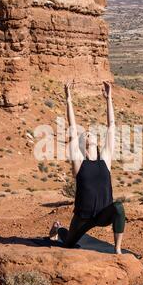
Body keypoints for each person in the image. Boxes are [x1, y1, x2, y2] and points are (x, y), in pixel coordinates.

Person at [49, 81, 126, 254]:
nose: (89, 134)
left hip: (102, 214)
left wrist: (109, 99)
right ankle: (58, 228)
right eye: (86, 135)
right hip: (83, 217)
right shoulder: (78, 161)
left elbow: (111, 126)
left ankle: (118, 248)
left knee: (119, 207)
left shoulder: (105, 159)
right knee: (69, 244)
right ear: (82, 144)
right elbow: (73, 128)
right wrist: (68, 100)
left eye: (91, 134)